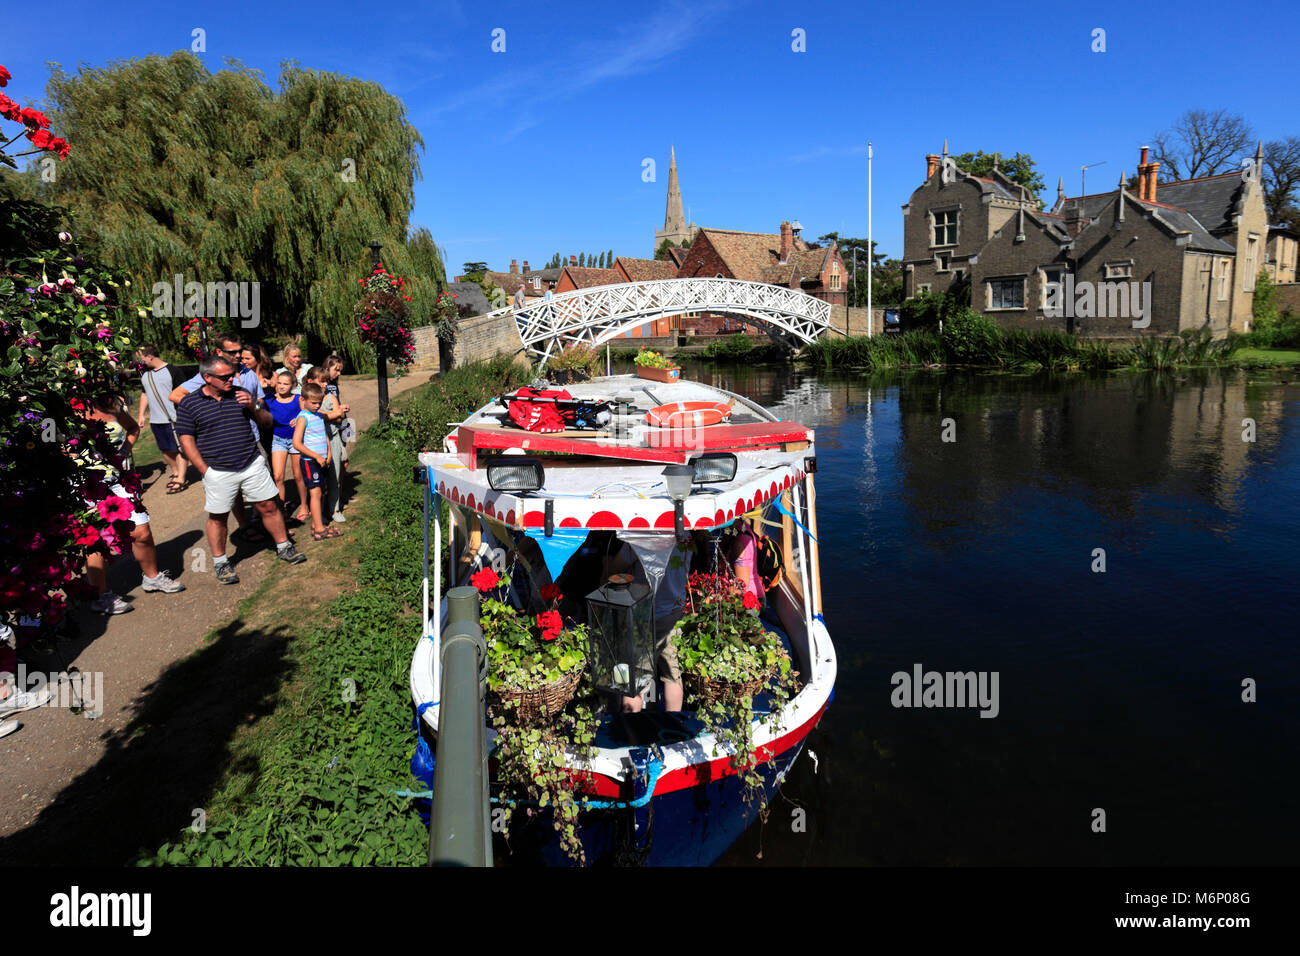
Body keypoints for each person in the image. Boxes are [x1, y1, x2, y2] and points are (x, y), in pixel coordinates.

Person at [175, 355, 307, 584]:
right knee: (218, 517)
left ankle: (284, 546)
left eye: (232, 374)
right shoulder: (189, 404)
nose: (231, 379)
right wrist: (205, 471)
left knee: (269, 505)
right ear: (207, 377)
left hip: (250, 463)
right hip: (217, 470)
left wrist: (253, 407)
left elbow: (267, 423)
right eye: (224, 376)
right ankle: (221, 562)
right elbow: (186, 440)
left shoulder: (240, 395)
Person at [77, 393, 186, 613]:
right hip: (84, 483)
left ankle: (152, 578)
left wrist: (125, 450)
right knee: (94, 539)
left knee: (142, 530)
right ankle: (101, 596)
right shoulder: (67, 411)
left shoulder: (108, 403)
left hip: (117, 479)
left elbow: (133, 429)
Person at [169, 333, 267, 539]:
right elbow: (176, 395)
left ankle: (270, 524)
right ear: (219, 352)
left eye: (241, 351)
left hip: (252, 436)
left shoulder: (248, 372)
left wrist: (255, 407)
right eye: (233, 352)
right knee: (233, 492)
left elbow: (259, 400)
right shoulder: (209, 374)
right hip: (225, 441)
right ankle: (245, 525)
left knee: (266, 485)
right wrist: (208, 411)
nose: (239, 355)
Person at [608, 533, 689, 713]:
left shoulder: (638, 536)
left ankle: (630, 730)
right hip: (673, 613)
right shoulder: (685, 536)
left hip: (642, 615)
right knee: (672, 677)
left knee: (635, 680)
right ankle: (671, 729)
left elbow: (615, 567)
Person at [134, 342, 191, 494]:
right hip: (156, 420)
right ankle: (176, 473)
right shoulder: (145, 374)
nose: (139, 362)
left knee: (179, 449)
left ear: (150, 356)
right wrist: (141, 415)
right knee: (165, 450)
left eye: (140, 358)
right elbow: (145, 393)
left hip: (173, 418)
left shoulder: (173, 370)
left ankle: (181, 478)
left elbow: (185, 392)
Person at [291, 381, 338, 540]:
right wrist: (316, 456)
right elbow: (297, 443)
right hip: (310, 461)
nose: (317, 406)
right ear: (303, 400)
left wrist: (328, 452)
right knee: (315, 493)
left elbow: (324, 435)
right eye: (314, 403)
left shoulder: (318, 415)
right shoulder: (303, 417)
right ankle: (319, 528)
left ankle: (317, 524)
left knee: (320, 491)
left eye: (319, 402)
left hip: (322, 460)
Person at [309, 365, 350, 522]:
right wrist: (332, 413)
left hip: (333, 439)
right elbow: (313, 414)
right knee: (318, 480)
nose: (325, 385)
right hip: (315, 443)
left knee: (335, 475)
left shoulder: (329, 397)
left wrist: (331, 414)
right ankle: (319, 513)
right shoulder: (306, 398)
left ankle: (334, 509)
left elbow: (340, 417)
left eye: (326, 381)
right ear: (311, 381)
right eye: (322, 382)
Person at [266, 371, 308, 518]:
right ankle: (281, 508)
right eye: (279, 383)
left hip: (296, 440)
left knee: (298, 476)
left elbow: (308, 413)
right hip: (278, 440)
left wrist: (299, 419)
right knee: (278, 476)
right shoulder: (269, 399)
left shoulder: (298, 399)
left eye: (286, 383)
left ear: (293, 385)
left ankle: (304, 505)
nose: (282, 386)